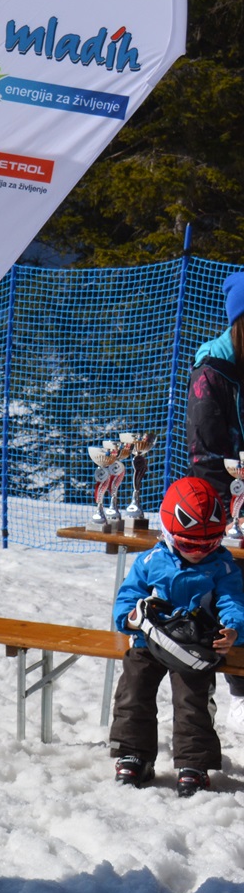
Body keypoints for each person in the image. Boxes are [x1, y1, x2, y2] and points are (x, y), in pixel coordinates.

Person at [108, 477, 243, 796]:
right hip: (150, 641)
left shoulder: (221, 565)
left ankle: (194, 763)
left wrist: (233, 628)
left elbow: (233, 600)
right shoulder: (152, 560)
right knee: (134, 688)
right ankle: (134, 753)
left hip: (194, 647)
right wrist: (128, 618)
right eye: (188, 545)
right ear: (168, 534)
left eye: (207, 545)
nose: (198, 553)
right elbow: (128, 595)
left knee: (192, 697)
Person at [186, 271, 244, 730]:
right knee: (220, 593)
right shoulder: (212, 371)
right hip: (220, 508)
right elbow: (207, 458)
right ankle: (224, 693)